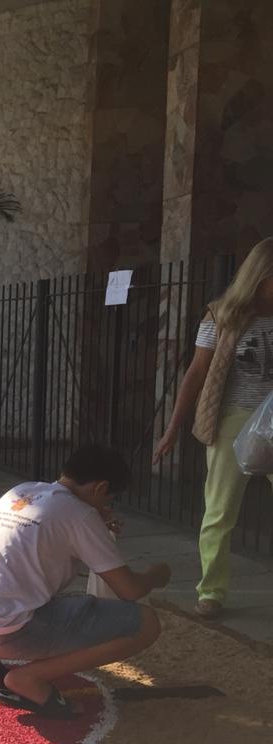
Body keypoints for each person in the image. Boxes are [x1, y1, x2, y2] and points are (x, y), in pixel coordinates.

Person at [0, 445, 170, 717]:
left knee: (11, 581)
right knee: (145, 623)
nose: (106, 507)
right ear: (100, 488)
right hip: (4, 630)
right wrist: (155, 575)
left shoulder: (24, 491)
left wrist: (95, 523)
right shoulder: (81, 515)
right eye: (109, 499)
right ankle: (30, 678)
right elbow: (129, 590)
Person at [154, 238, 273, 620]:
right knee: (220, 510)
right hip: (234, 420)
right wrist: (172, 428)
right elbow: (196, 373)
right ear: (261, 275)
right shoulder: (222, 316)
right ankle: (211, 591)